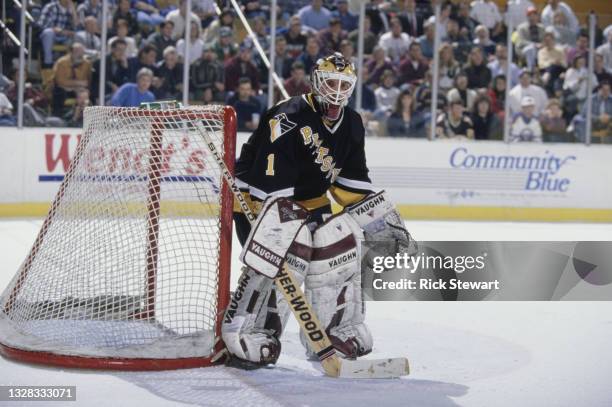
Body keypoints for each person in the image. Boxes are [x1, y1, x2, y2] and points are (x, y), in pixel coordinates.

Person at [223, 52, 414, 369]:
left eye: (344, 84)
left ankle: (332, 332)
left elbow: (350, 186)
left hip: (309, 202)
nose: (337, 90)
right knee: (291, 253)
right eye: (331, 82)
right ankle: (249, 332)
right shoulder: (287, 118)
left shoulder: (351, 123)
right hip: (260, 202)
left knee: (340, 242)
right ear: (316, 82)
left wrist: (379, 223)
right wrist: (282, 233)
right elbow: (271, 193)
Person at [51, 43, 92, 116]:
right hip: (62, 88)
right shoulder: (62, 62)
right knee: (58, 92)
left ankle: (81, 116)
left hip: (79, 89)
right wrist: (78, 83)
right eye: (77, 52)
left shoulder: (87, 63)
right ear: (71, 52)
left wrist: (81, 85)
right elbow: (60, 81)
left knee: (86, 94)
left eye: (81, 52)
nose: (80, 54)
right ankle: (59, 116)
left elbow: (87, 80)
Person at [39, 0, 78, 69]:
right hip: (52, 34)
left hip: (65, 37)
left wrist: (73, 11)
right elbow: (41, 24)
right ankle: (48, 64)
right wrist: (57, 30)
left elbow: (76, 27)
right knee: (48, 32)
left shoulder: (70, 10)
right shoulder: (50, 7)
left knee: (78, 36)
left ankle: (72, 65)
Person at [91, 38, 131, 103]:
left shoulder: (124, 62)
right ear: (112, 49)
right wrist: (112, 85)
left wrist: (125, 68)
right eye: (119, 50)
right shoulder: (101, 61)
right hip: (102, 92)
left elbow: (126, 81)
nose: (121, 52)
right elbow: (102, 78)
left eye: (123, 50)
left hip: (117, 94)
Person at [537, 31, 567, 95]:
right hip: (545, 70)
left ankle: (547, 76)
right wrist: (551, 62)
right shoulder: (541, 52)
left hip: (558, 70)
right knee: (552, 67)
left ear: (553, 41)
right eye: (546, 41)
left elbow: (564, 64)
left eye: (549, 40)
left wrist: (558, 62)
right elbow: (541, 64)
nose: (548, 42)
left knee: (554, 67)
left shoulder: (559, 51)